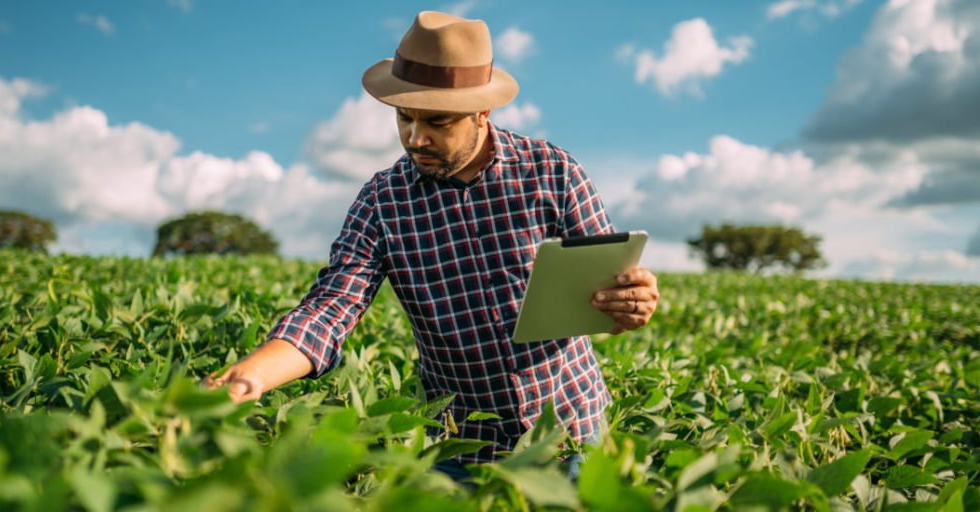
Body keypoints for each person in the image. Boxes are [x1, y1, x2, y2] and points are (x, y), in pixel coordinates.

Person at [203, 10, 659, 480]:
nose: (415, 138)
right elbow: (330, 308)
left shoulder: (554, 172)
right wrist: (251, 375)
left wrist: (628, 305)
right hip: (460, 447)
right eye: (404, 118)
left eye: (438, 122)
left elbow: (607, 293)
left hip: (568, 433)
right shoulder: (383, 201)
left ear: (483, 112)